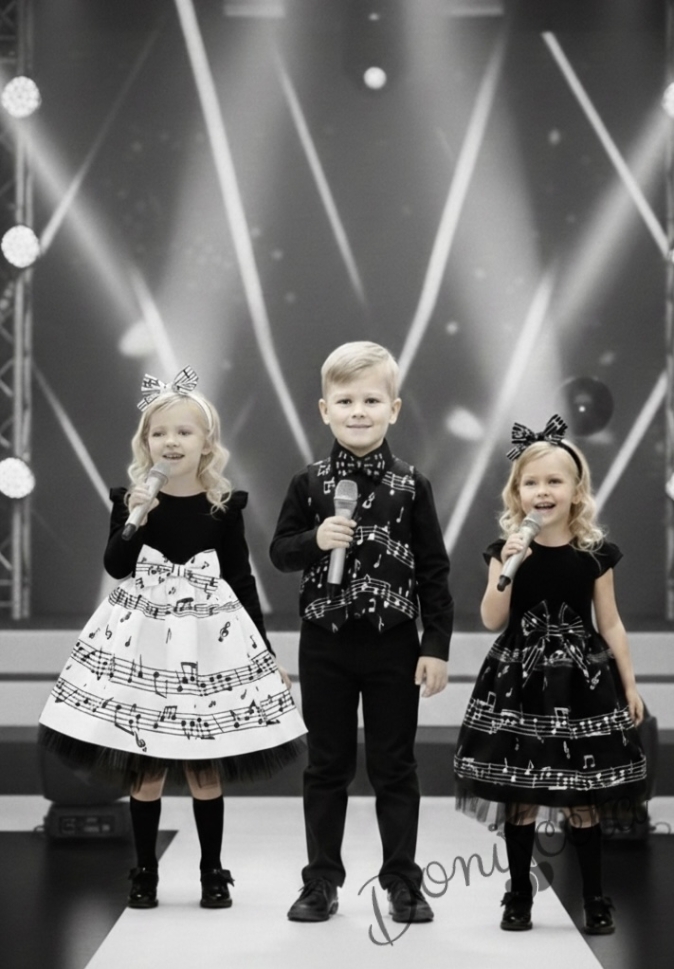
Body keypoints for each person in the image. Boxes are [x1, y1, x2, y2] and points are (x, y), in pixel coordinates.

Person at [39, 367, 305, 910]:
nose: (171, 441)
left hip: (207, 644)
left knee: (206, 769)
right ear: (146, 443)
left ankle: (212, 871)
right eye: (159, 432)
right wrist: (137, 516)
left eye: (184, 431)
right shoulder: (131, 500)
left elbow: (241, 580)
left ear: (207, 442)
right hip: (145, 643)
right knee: (147, 769)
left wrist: (265, 654)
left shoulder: (224, 507)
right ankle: (145, 871)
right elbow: (116, 565)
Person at [269, 341, 454, 924]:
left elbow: (433, 570)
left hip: (393, 642)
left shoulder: (412, 484)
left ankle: (402, 881)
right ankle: (321, 880)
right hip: (325, 642)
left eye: (371, 400)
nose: (358, 411)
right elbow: (279, 552)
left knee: (394, 765)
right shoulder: (308, 483)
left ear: (393, 410)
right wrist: (314, 540)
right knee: (327, 765)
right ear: (324, 410)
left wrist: (435, 646)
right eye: (345, 400)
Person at [454, 414, 646, 935]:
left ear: (576, 491)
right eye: (531, 482)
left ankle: (594, 897)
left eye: (554, 481)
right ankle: (519, 893)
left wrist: (629, 684)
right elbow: (492, 619)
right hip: (519, 683)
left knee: (581, 795)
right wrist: (509, 564)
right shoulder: (504, 551)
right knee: (520, 792)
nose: (543, 491)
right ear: (517, 493)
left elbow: (610, 622)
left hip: (580, 684)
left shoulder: (594, 555)